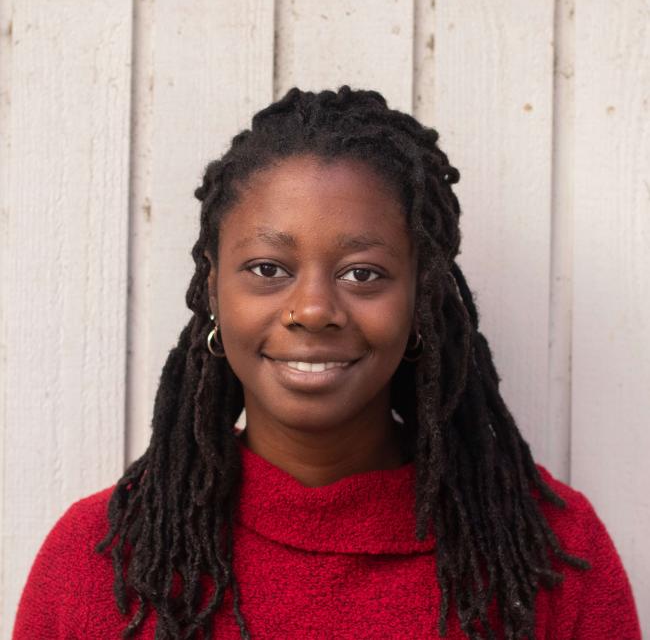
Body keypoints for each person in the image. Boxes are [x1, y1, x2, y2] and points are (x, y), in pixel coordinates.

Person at [13, 86, 641, 639]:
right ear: (211, 288)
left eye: (362, 273)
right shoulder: (97, 560)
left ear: (420, 296)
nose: (313, 310)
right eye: (268, 269)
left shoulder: (550, 555)